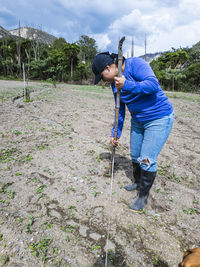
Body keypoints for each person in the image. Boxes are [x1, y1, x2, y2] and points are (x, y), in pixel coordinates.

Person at [92, 52, 174, 212]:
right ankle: (137, 182)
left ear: (108, 68)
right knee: (135, 154)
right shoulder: (113, 84)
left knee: (146, 159)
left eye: (101, 76)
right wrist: (115, 133)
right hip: (138, 120)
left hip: (159, 118)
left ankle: (142, 197)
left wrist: (127, 85)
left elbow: (153, 85)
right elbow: (120, 110)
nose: (103, 80)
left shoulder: (135, 64)